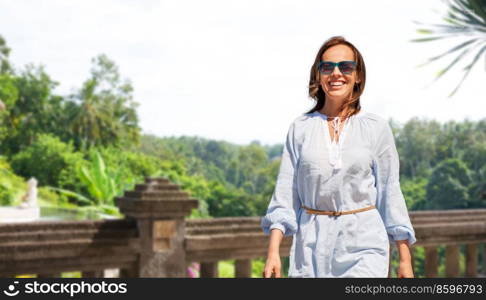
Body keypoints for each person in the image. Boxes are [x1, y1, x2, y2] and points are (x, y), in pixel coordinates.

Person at [261, 36, 416, 278]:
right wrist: (273, 252)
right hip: (310, 247)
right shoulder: (300, 128)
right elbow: (284, 194)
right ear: (318, 75)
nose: (336, 73)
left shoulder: (376, 128)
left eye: (346, 66)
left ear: (358, 76)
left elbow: (390, 192)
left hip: (364, 245)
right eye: (327, 67)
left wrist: (404, 259)